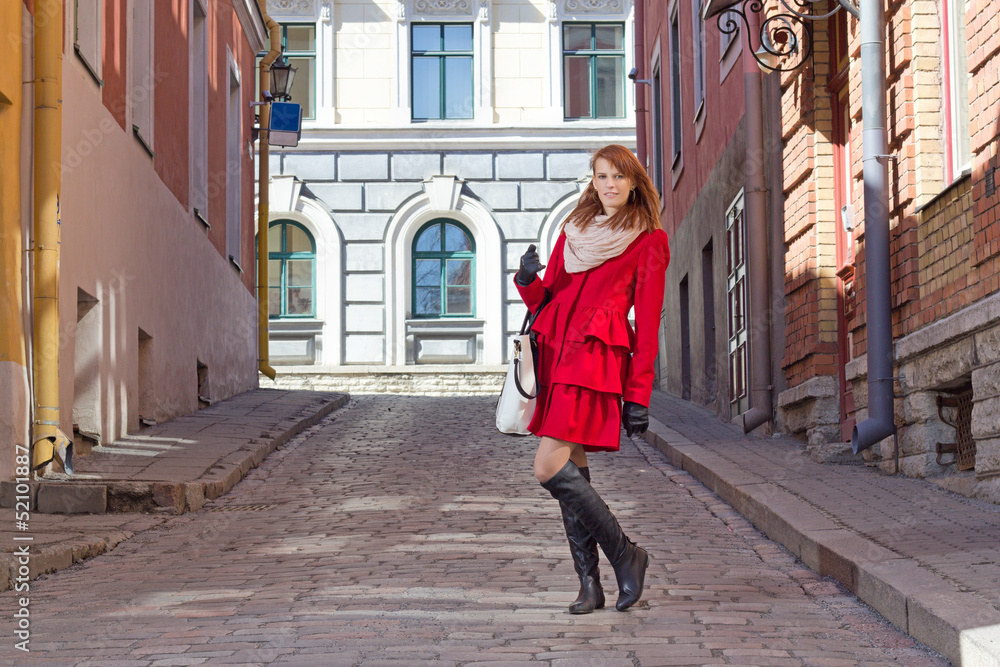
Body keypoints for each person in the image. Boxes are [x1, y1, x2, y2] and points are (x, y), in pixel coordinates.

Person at [514, 144, 670, 614]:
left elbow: (646, 321)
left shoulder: (648, 240)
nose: (609, 185)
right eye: (601, 176)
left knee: (547, 467)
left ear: (634, 182)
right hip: (556, 356)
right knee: (571, 467)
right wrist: (526, 280)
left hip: (594, 364)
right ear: (593, 181)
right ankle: (589, 585)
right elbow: (548, 300)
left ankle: (627, 556)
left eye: (618, 177)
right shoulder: (573, 231)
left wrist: (637, 394)